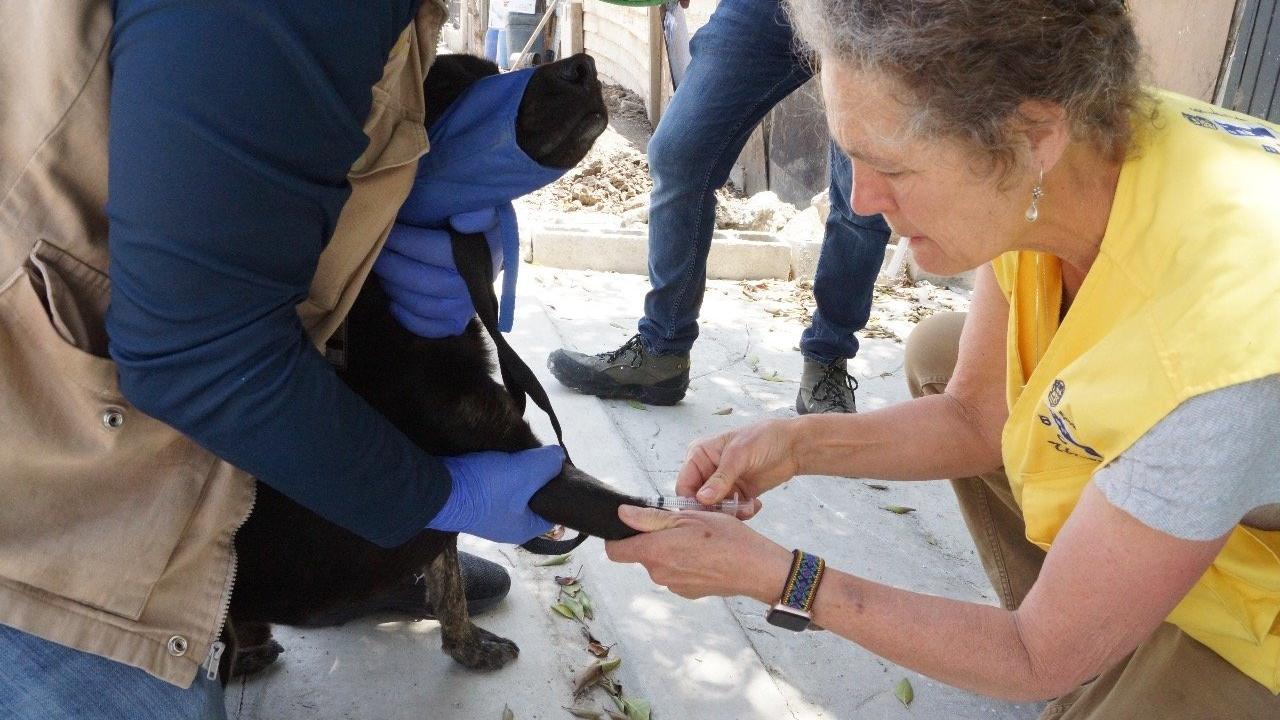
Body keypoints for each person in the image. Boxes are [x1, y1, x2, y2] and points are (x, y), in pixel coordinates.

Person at [604, 1, 1280, 717]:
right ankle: (1104, 618)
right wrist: (794, 443)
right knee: (940, 352)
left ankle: (1114, 637)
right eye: (849, 156)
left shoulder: (1223, 336)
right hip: (1210, 500)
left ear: (1031, 135)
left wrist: (782, 578)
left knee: (1052, 658)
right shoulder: (1074, 152)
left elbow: (1035, 656)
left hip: (1259, 619)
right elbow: (976, 417)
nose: (862, 201)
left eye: (889, 164)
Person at [0, 3, 562, 717]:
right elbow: (200, 356)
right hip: (46, 513)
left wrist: (397, 228)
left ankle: (356, 563)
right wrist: (434, 498)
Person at [547, 0, 892, 414]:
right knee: (679, 152)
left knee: (864, 191)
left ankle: (827, 362)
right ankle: (661, 351)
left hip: (875, 10)